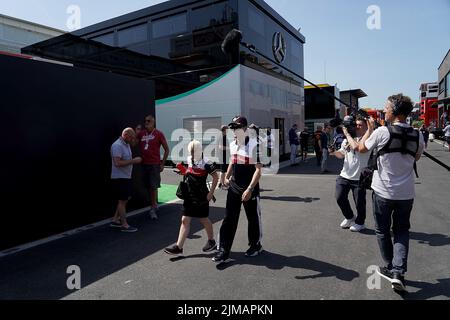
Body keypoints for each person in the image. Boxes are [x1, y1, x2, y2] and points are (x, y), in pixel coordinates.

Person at [356, 94, 425, 292]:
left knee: (382, 230)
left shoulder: (382, 132)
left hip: (383, 192)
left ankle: (390, 266)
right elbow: (417, 157)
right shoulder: (417, 134)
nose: (384, 111)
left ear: (394, 111)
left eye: (386, 108)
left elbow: (361, 148)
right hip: (406, 193)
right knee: (402, 230)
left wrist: (370, 130)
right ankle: (398, 271)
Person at [213, 116, 263, 263]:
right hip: (234, 187)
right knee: (229, 218)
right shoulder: (233, 143)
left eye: (238, 127)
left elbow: (258, 171)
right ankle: (223, 250)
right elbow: (232, 161)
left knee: (252, 218)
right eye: (233, 128)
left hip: (249, 188)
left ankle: (255, 245)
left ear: (245, 128)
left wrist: (249, 189)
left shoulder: (255, 145)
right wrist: (226, 178)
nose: (235, 130)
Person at [164, 140, 219, 255]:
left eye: (195, 151)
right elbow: (191, 172)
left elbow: (215, 177)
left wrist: (211, 193)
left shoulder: (206, 162)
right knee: (185, 220)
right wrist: (184, 172)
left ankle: (211, 240)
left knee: (203, 219)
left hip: (201, 195)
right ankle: (179, 247)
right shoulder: (189, 159)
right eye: (191, 151)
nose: (193, 154)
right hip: (189, 194)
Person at [330, 119, 371, 233]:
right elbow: (342, 154)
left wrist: (347, 134)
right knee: (339, 197)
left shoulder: (368, 141)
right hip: (344, 175)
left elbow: (358, 147)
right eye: (356, 125)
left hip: (359, 177)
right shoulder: (346, 140)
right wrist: (333, 152)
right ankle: (349, 217)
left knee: (359, 203)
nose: (357, 127)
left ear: (366, 127)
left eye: (360, 125)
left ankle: (360, 223)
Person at [137, 115, 170, 220]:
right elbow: (133, 143)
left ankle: (153, 208)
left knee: (153, 186)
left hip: (154, 164)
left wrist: (162, 164)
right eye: (145, 121)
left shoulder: (158, 134)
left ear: (153, 122)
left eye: (149, 121)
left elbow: (166, 150)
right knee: (148, 186)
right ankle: (154, 203)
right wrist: (135, 133)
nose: (146, 122)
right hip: (143, 164)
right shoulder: (141, 133)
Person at [110, 128, 142, 233]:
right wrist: (133, 161)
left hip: (125, 177)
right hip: (120, 177)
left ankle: (115, 220)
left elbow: (134, 142)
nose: (132, 140)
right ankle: (124, 225)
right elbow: (117, 163)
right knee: (122, 201)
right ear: (125, 135)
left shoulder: (125, 143)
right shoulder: (117, 146)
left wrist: (137, 133)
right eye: (131, 137)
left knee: (124, 199)